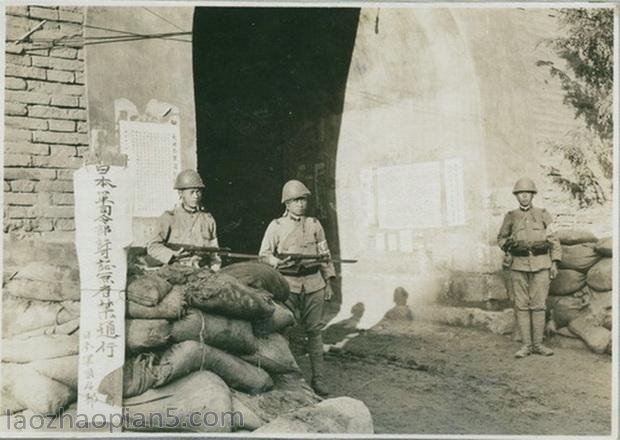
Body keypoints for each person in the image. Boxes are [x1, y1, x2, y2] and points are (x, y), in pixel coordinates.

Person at [259, 179, 336, 396]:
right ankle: (290, 379)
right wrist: (275, 262)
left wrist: (328, 281)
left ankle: (318, 379)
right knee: (286, 332)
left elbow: (325, 255)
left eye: (303, 199)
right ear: (287, 204)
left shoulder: (314, 225)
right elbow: (264, 254)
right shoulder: (276, 226)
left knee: (315, 332)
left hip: (313, 284)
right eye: (296, 200)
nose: (301, 204)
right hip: (287, 286)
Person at [497, 177, 562, 358]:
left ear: (532, 195)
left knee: (539, 305)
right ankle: (526, 345)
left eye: (527, 193)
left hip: (542, 265)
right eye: (520, 194)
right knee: (522, 306)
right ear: (516, 196)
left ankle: (539, 345)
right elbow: (500, 238)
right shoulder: (510, 216)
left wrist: (555, 263)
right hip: (518, 266)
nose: (524, 197)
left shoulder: (543, 214)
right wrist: (507, 244)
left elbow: (554, 240)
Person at [146, 169, 221, 270]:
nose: (196, 196)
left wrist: (215, 269)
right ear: (181, 193)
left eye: (198, 192)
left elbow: (215, 252)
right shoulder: (169, 218)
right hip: (176, 271)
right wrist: (170, 255)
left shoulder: (208, 219)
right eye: (192, 192)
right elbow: (153, 246)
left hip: (202, 271)